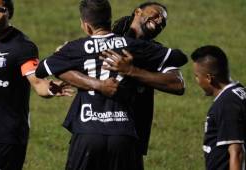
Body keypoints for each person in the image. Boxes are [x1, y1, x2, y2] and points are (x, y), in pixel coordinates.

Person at [35, 0, 187, 169]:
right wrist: (97, 84)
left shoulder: (149, 50)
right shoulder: (135, 45)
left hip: (117, 131)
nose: (160, 20)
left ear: (86, 26)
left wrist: (132, 70)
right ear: (137, 12)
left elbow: (177, 84)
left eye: (164, 20)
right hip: (116, 131)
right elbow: (179, 56)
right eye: (156, 13)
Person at [0, 0, 71, 169]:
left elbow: (37, 82)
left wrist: (50, 89)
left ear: (9, 13)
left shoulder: (22, 48)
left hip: (8, 138)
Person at [191, 45, 246, 170]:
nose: (196, 80)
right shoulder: (240, 90)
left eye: (196, 76)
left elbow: (236, 152)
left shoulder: (227, 103)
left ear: (208, 78)